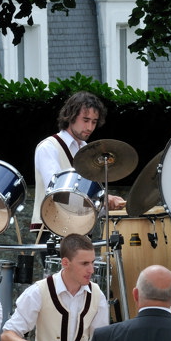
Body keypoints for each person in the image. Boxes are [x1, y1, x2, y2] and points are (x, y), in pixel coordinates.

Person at [31, 91, 124, 240]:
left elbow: (91, 193)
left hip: (81, 229)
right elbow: (58, 195)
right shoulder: (48, 147)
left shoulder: (88, 150)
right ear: (70, 116)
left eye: (94, 122)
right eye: (85, 120)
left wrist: (105, 204)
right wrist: (102, 199)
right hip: (52, 229)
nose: (90, 127)